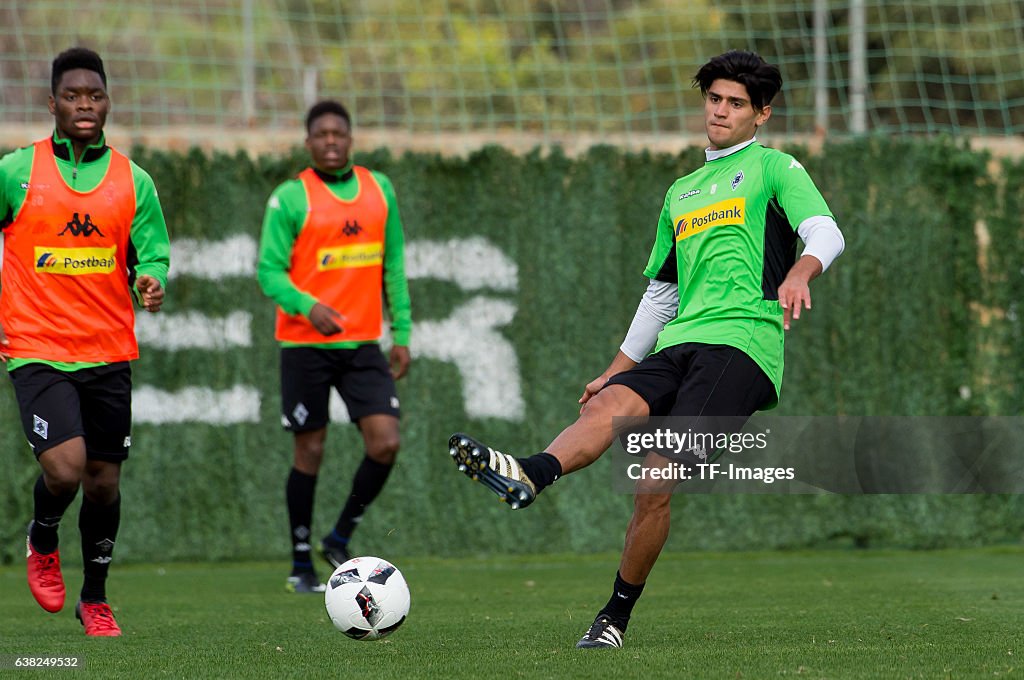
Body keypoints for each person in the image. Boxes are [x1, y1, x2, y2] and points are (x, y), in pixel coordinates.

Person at [448, 50, 845, 648]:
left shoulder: (774, 169)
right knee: (604, 408)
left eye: (736, 103)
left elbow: (825, 230)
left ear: (761, 114)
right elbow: (662, 294)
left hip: (742, 345)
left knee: (652, 480)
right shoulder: (681, 193)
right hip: (681, 341)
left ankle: (613, 619)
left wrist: (801, 273)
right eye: (714, 98)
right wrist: (614, 371)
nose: (721, 111)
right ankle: (530, 473)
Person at [0, 47, 170, 637]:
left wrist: (152, 277)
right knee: (67, 469)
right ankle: (42, 535)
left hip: (108, 350)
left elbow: (151, 251)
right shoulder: (16, 171)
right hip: (36, 346)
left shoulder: (133, 180)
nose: (84, 105)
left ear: (107, 102)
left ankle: (94, 598)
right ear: (52, 103)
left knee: (103, 481)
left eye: (94, 96)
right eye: (72, 96)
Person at [257, 100, 412, 594]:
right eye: (320, 134)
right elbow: (268, 272)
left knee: (386, 442)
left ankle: (339, 535)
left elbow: (394, 265)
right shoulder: (290, 198)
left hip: (362, 343)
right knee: (311, 448)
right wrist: (308, 306)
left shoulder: (378, 189)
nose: (330, 141)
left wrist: (402, 333)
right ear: (308, 143)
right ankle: (300, 561)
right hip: (304, 344)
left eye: (337, 134)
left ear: (350, 139)